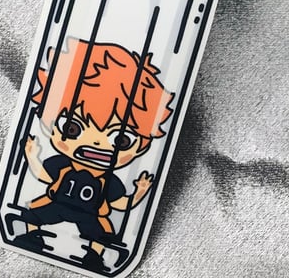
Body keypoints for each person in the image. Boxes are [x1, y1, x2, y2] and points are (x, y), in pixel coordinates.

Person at [14, 38, 172, 273]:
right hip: (57, 205)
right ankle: (31, 236)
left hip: (89, 216)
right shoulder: (63, 165)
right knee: (34, 215)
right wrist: (31, 155)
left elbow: (121, 204)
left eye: (120, 139)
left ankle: (94, 256)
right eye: (73, 128)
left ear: (141, 145)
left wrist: (140, 191)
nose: (97, 143)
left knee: (100, 234)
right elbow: (43, 175)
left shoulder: (108, 181)